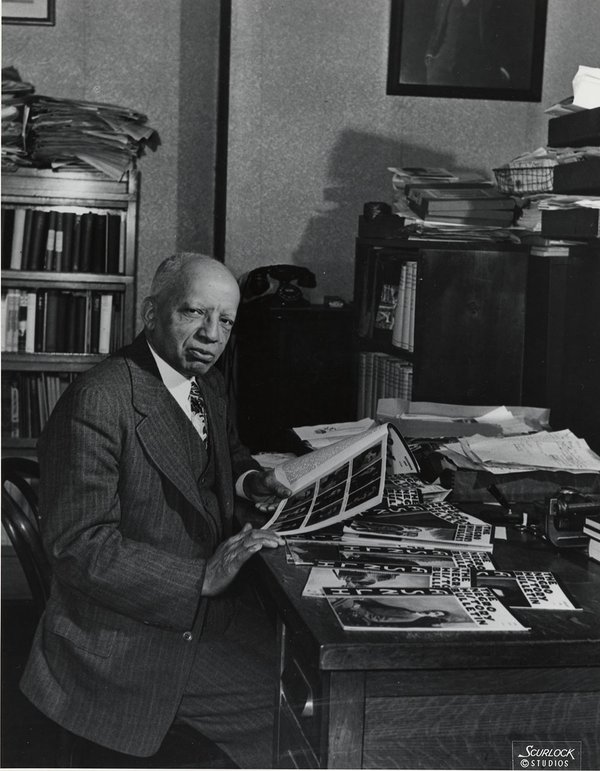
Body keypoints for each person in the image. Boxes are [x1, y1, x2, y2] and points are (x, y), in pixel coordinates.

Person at [20, 253, 292, 768]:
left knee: (307, 667)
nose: (212, 334)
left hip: (195, 613)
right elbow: (77, 546)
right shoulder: (98, 400)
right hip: (119, 639)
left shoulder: (202, 380)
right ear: (151, 313)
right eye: (194, 313)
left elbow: (226, 451)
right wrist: (200, 579)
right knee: (298, 706)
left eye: (226, 320)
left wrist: (249, 479)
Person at [424, 0, 532, 90]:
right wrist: (430, 55)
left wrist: (504, 67)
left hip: (477, 73)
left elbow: (510, 31)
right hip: (442, 71)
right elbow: (437, 26)